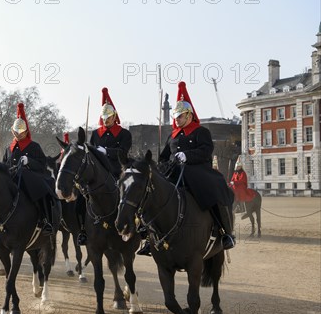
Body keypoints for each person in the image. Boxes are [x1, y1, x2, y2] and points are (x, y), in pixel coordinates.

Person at [138, 81, 235, 255]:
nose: (176, 119)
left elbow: (206, 151)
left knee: (214, 190)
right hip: (174, 171)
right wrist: (162, 166)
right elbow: (163, 157)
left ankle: (225, 232)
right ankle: (148, 236)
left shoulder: (201, 132)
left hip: (197, 170)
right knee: (152, 192)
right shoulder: (172, 136)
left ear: (189, 115)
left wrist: (187, 156)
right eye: (176, 116)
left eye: (180, 116)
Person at [0, 102, 57, 241]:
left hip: (30, 178)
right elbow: (5, 165)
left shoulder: (34, 146)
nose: (18, 135)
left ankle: (45, 220)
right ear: (13, 131)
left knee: (40, 190)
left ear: (26, 131)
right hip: (11, 178)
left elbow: (42, 165)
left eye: (21, 132)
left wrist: (29, 161)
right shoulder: (9, 148)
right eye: (16, 132)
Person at [79, 87, 132, 246]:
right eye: (104, 117)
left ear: (114, 116)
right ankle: (82, 229)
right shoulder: (95, 134)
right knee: (82, 197)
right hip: (97, 173)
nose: (106, 120)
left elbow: (123, 152)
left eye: (108, 117)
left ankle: (131, 226)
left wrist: (106, 151)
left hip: (117, 171)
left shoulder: (124, 134)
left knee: (129, 195)